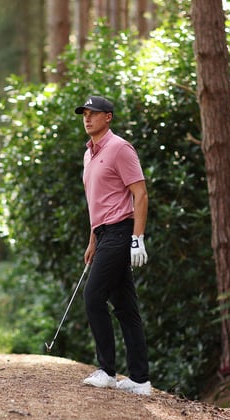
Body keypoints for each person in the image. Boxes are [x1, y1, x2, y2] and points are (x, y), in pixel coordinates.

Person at [76, 95, 152, 395]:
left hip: (122, 232)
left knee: (94, 295)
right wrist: (92, 238)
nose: (87, 118)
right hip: (104, 234)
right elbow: (97, 202)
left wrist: (138, 238)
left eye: (93, 113)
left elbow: (141, 194)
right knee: (125, 307)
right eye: (84, 113)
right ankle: (139, 379)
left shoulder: (120, 148)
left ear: (108, 117)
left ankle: (107, 371)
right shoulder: (89, 154)